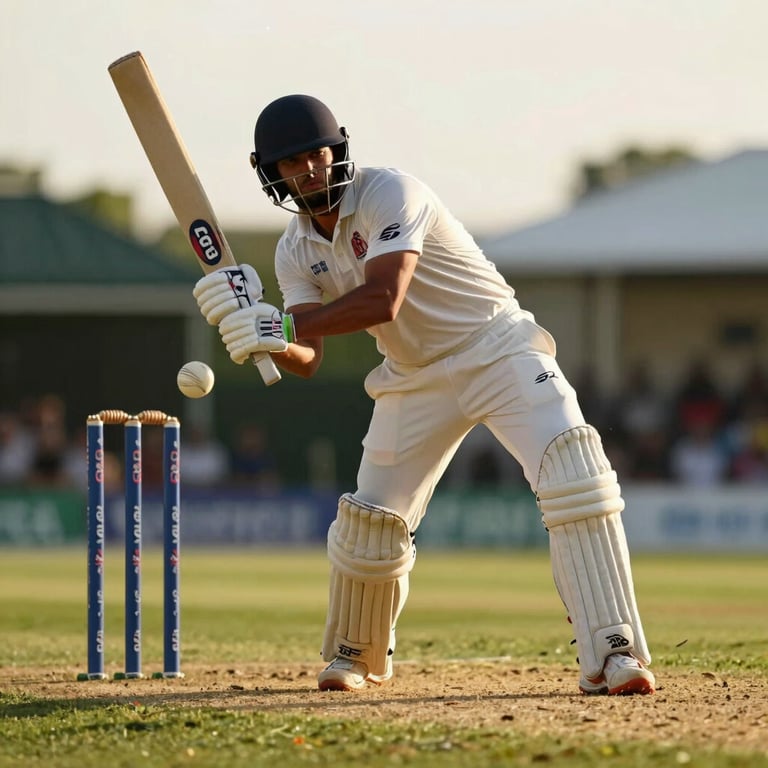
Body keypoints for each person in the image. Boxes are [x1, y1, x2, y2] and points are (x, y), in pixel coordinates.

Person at [192, 95, 654, 696]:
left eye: (317, 155)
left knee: (575, 472)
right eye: (293, 162)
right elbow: (307, 359)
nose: (309, 170)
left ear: (338, 151)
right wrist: (257, 329)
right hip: (412, 376)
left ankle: (614, 651)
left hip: (497, 347)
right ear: (270, 172)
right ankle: (354, 654)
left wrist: (284, 326)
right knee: (372, 522)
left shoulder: (391, 193)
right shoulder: (294, 249)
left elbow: (383, 298)